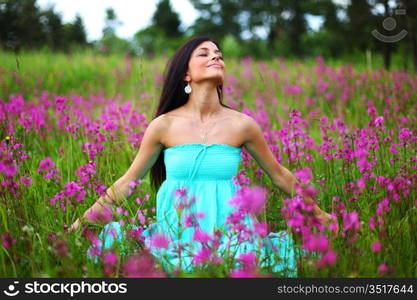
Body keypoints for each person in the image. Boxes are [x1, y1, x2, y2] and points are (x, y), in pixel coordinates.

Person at [68, 36, 339, 276]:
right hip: (178, 233)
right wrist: (79, 224)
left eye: (219, 54)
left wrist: (319, 214)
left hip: (233, 232)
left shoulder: (242, 124)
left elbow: (279, 175)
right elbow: (128, 182)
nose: (216, 57)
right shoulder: (164, 125)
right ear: (185, 74)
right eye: (204, 53)